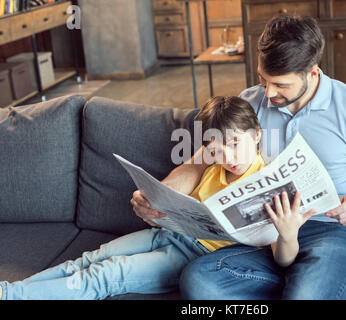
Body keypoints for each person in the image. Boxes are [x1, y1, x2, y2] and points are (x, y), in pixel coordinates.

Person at [131, 15, 346, 300]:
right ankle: (332, 281)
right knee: (199, 281)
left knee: (305, 296)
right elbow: (197, 163)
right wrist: (160, 198)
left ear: (313, 72)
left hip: (331, 232)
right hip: (263, 236)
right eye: (263, 79)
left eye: (281, 85)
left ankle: (318, 281)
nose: (268, 92)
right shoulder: (251, 102)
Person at [0, 96, 276, 300]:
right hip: (171, 234)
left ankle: (14, 297)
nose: (227, 157)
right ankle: (8, 291)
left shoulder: (267, 181)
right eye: (216, 149)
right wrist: (158, 205)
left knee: (107, 274)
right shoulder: (211, 162)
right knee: (89, 258)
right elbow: (181, 189)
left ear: (257, 135)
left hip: (196, 255)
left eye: (235, 144)